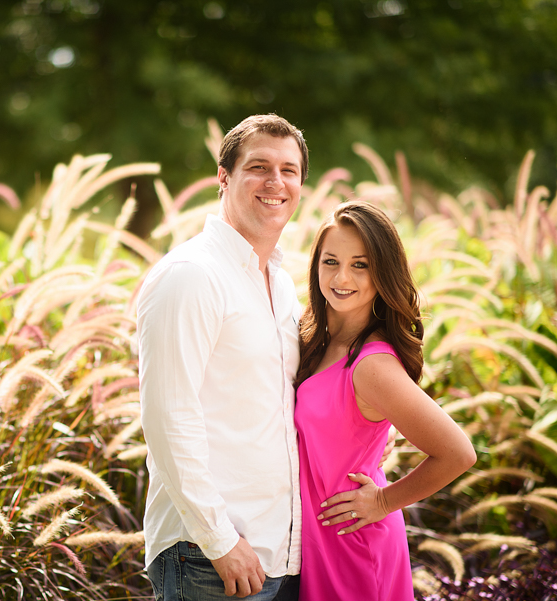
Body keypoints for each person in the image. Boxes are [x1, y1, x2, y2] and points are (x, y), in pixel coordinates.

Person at [138, 114, 307, 600]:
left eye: (289, 171)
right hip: (209, 557)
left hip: (278, 554)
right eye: (258, 167)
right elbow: (168, 416)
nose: (276, 182)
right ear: (224, 176)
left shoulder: (281, 281)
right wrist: (220, 540)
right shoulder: (192, 275)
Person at [294, 201, 476, 600]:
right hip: (320, 543)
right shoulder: (316, 341)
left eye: (360, 265)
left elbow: (458, 453)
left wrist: (382, 501)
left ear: (383, 273)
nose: (342, 277)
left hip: (355, 542)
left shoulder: (371, 364)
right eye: (330, 261)